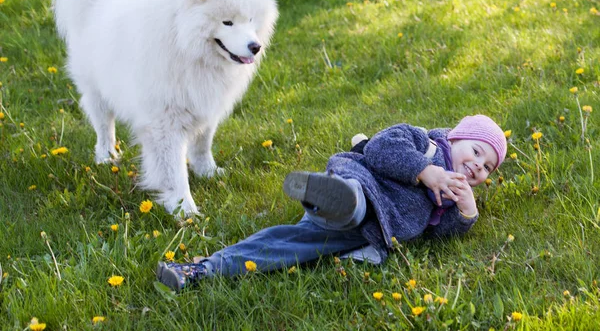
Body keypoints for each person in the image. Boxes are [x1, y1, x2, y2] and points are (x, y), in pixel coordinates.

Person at [156, 115, 507, 292]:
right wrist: (425, 171)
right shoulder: (423, 143)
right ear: (455, 137)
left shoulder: (451, 197)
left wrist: (465, 215)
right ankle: (335, 199)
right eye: (476, 152)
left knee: (288, 246)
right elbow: (380, 149)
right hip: (362, 183)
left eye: (487, 167)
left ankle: (200, 270)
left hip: (364, 232)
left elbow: (435, 236)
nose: (478, 166)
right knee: (355, 198)